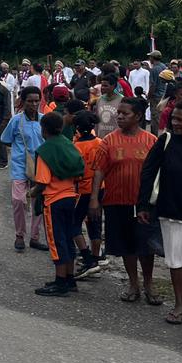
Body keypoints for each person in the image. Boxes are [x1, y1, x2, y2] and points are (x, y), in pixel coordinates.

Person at [90, 97, 158, 305]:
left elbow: (158, 172)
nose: (119, 116)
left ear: (138, 116)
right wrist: (94, 199)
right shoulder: (108, 141)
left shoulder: (151, 141)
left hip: (144, 204)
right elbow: (99, 171)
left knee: (145, 247)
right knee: (127, 245)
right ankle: (133, 284)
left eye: (125, 113)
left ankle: (148, 284)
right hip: (117, 201)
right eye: (118, 112)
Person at [138, 98, 182, 325]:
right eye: (173, 119)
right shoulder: (166, 141)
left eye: (180, 119)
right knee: (176, 261)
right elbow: (148, 173)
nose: (175, 123)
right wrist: (142, 205)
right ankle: (179, 305)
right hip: (173, 212)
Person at [30, 112, 86, 297]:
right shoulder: (69, 145)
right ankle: (69, 279)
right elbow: (80, 171)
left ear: (43, 129)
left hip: (54, 199)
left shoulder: (45, 151)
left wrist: (30, 194)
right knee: (68, 238)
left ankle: (60, 281)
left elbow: (43, 181)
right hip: (72, 197)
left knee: (56, 241)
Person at [1, 87, 47, 252]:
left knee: (37, 203)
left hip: (41, 167)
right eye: (30, 101)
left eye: (37, 100)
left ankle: (35, 237)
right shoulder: (16, 120)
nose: (34, 104)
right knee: (18, 200)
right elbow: (5, 139)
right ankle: (19, 235)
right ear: (23, 102)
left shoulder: (44, 120)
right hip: (20, 166)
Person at [70, 110, 105, 279]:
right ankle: (96, 259)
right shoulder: (100, 142)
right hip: (101, 187)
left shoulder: (76, 147)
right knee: (95, 222)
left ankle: (87, 258)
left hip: (84, 189)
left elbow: (76, 172)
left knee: (74, 224)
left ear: (77, 127)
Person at [93, 73, 123, 139]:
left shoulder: (122, 100)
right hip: (101, 138)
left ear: (114, 86)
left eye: (106, 86)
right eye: (102, 85)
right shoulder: (100, 100)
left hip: (116, 138)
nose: (103, 88)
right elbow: (97, 120)